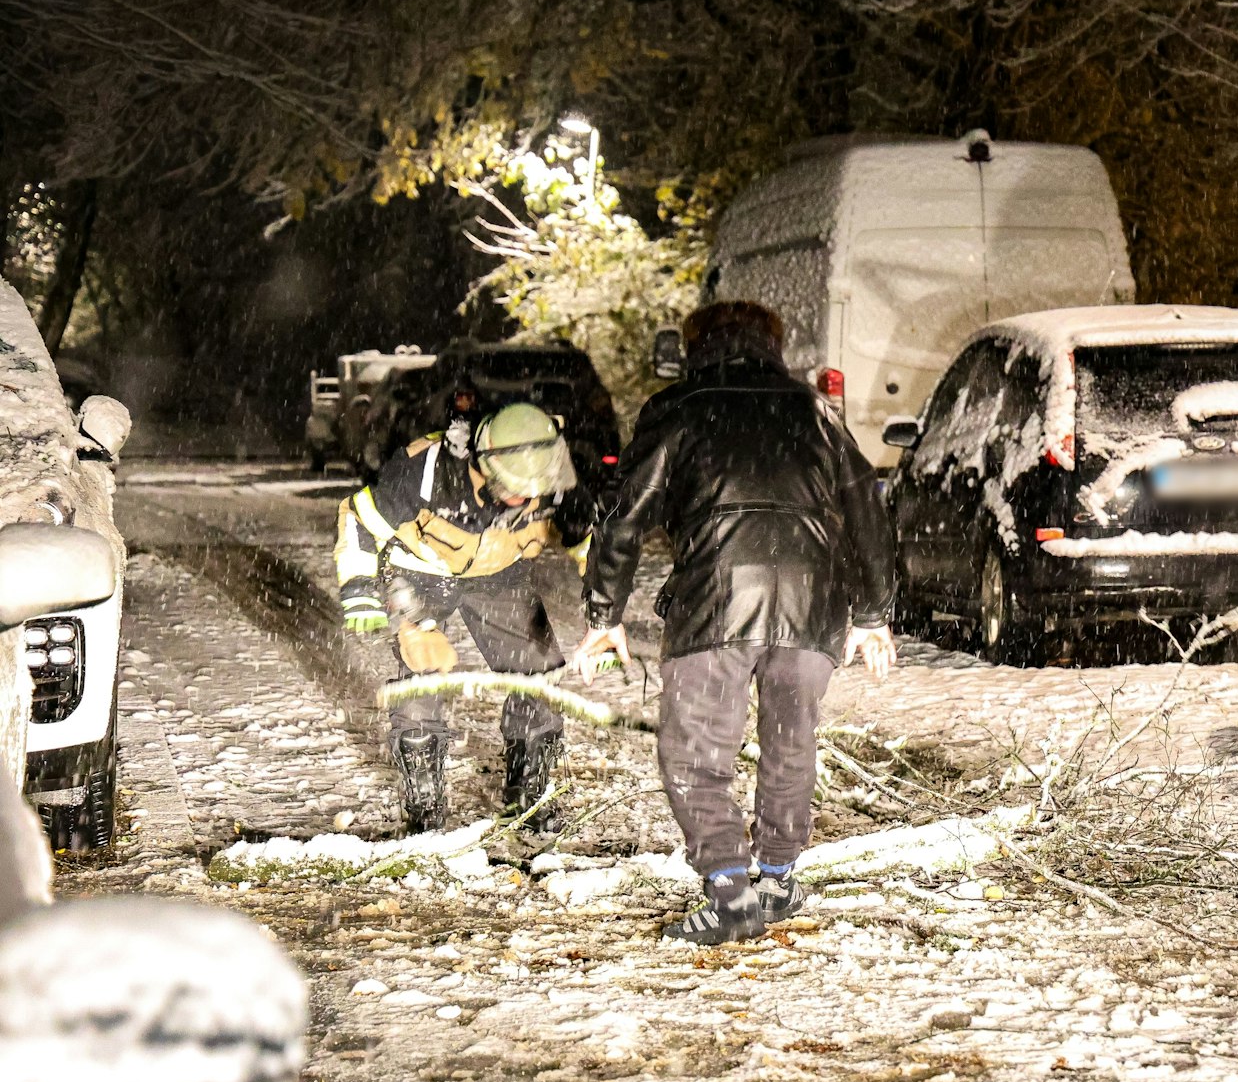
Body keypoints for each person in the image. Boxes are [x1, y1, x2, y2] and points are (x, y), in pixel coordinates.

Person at [573, 301, 897, 945]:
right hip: (813, 601)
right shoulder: (812, 410)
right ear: (772, 346)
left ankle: (728, 891)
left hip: (715, 600)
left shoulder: (678, 408)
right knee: (789, 740)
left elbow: (626, 514)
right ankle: (776, 878)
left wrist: (604, 611)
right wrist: (872, 610)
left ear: (696, 348)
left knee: (696, 751)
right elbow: (866, 505)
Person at [335, 401, 594, 834]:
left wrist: (604, 614)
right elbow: (359, 518)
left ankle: (528, 799)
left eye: (534, 490)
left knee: (538, 675)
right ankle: (425, 808)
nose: (527, 499)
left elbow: (588, 542)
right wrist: (361, 593)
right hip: (421, 571)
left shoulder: (552, 475)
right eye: (514, 490)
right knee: (423, 674)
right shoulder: (424, 471)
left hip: (501, 572)